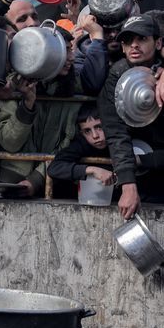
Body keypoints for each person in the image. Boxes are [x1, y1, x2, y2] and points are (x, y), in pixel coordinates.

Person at [0, 28, 81, 197]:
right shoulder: (13, 85)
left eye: (72, 49)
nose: (71, 57)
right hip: (12, 181)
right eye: (65, 50)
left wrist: (36, 179)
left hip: (56, 180)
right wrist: (27, 105)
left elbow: (68, 143)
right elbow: (9, 142)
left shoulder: (75, 88)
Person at [98, 15, 164, 218]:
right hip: (140, 166)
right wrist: (127, 184)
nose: (134, 45)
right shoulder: (117, 77)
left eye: (142, 39)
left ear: (158, 42)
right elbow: (116, 133)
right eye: (128, 41)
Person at [47, 103, 116, 193]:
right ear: (81, 133)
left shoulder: (120, 142)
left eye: (99, 127)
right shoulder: (82, 144)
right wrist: (92, 170)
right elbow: (54, 168)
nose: (95, 136)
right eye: (87, 131)